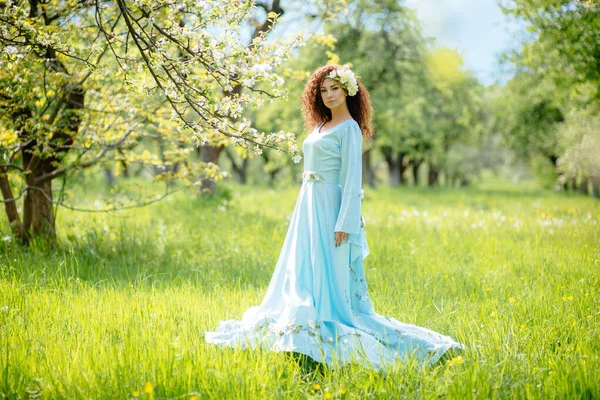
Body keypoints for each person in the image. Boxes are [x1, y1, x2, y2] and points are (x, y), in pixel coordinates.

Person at [205, 64, 463, 371]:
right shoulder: (319, 126)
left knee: (328, 269)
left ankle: (333, 323)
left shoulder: (349, 128)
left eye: (334, 89)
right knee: (303, 267)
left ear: (347, 91)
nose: (328, 95)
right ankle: (302, 322)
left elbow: (352, 179)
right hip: (309, 203)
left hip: (331, 204)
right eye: (323, 90)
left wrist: (346, 222)